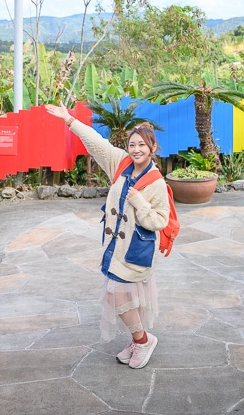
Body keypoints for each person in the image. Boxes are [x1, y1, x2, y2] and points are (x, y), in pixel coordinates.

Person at [45, 103, 171, 369]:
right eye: (132, 144)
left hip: (135, 248)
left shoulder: (157, 183)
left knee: (116, 295)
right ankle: (140, 340)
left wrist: (139, 202)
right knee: (117, 295)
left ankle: (143, 340)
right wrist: (69, 119)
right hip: (115, 245)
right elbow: (95, 141)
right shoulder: (121, 163)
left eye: (142, 146)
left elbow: (159, 221)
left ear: (153, 148)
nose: (136, 150)